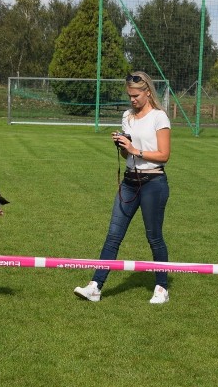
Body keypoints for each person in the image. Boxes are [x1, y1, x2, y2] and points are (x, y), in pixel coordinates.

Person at [74, 71, 172, 304]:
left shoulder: (159, 117)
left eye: (136, 95)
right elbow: (127, 152)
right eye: (129, 95)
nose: (132, 100)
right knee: (113, 236)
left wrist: (134, 149)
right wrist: (121, 145)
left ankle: (162, 287)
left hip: (154, 184)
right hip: (129, 183)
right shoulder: (127, 116)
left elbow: (164, 155)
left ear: (147, 92)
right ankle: (95, 286)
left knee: (154, 237)